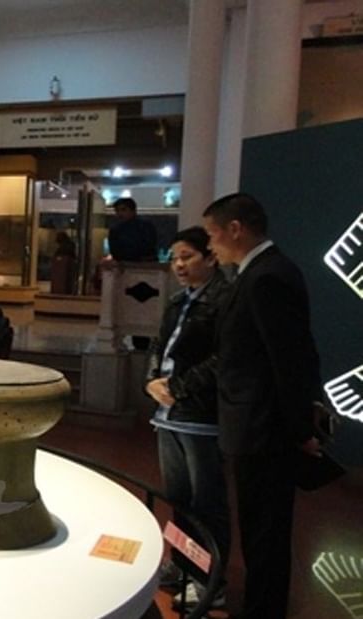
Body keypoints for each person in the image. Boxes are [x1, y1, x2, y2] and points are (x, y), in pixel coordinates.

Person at [202, 192, 321, 619]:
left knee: (266, 535)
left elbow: (290, 362)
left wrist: (299, 431)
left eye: (213, 236)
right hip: (255, 428)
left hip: (264, 431)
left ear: (236, 229)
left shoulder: (268, 276)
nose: (211, 246)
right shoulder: (259, 274)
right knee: (258, 531)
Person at [144, 227, 231, 610]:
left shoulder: (225, 300)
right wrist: (151, 383)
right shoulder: (179, 301)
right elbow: (159, 347)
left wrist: (179, 387)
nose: (178, 264)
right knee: (178, 498)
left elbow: (223, 360)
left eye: (187, 256)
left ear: (210, 257)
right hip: (169, 415)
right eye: (174, 257)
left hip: (200, 415)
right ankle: (181, 565)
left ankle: (209, 578)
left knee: (207, 502)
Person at [107, 197, 158, 262]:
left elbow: (148, 247)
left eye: (123, 210)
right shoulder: (115, 230)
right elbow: (115, 252)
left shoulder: (145, 226)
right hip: (124, 265)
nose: (120, 213)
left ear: (133, 211)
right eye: (117, 211)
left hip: (146, 265)